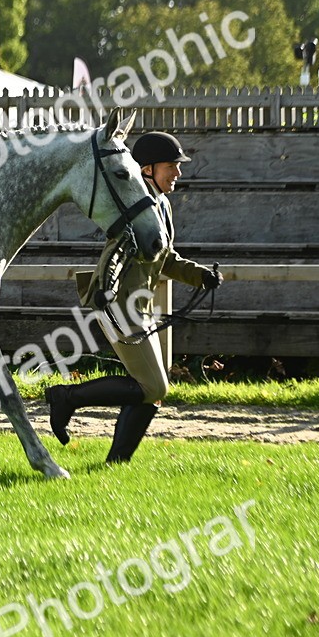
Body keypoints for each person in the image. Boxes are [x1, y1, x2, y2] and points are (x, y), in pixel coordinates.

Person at [45, 131, 222, 463]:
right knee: (155, 387)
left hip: (140, 308)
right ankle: (66, 397)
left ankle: (117, 462)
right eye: (172, 166)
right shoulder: (134, 205)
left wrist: (200, 276)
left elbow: (165, 258)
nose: (178, 173)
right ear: (148, 170)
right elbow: (113, 253)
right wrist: (104, 288)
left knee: (150, 391)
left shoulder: (163, 206)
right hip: (116, 305)